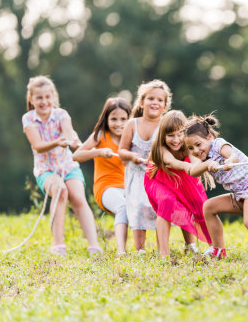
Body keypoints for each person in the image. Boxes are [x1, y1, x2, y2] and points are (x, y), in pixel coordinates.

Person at [184, 114, 248, 260]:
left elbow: (233, 156)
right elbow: (193, 171)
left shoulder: (218, 144)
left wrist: (229, 161)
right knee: (208, 207)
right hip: (240, 194)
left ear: (209, 137)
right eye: (191, 148)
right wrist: (207, 165)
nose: (196, 150)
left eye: (198, 144)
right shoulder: (204, 159)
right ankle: (218, 251)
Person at [22, 76, 102, 256]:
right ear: (31, 99)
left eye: (47, 97)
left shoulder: (61, 114)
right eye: (39, 98)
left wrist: (74, 142)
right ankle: (58, 246)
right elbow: (37, 145)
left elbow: (68, 132)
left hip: (68, 166)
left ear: (53, 97)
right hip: (46, 170)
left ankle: (94, 246)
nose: (44, 102)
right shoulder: (28, 119)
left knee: (78, 198)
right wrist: (58, 141)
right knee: (60, 191)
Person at [144, 110, 212, 257]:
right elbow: (172, 162)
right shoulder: (161, 148)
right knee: (167, 201)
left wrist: (199, 165)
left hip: (182, 179)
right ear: (163, 135)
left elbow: (195, 160)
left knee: (197, 205)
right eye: (170, 135)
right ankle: (164, 253)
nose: (176, 140)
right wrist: (189, 167)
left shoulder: (188, 146)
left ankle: (193, 245)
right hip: (159, 179)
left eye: (179, 134)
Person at [73, 97, 132, 254]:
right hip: (105, 187)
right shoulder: (100, 136)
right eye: (113, 119)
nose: (118, 123)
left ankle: (142, 249)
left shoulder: (131, 139)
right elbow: (76, 155)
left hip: (127, 188)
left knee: (143, 207)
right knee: (123, 207)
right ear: (106, 119)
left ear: (129, 120)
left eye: (123, 119)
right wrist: (98, 152)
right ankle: (121, 250)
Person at [119, 79, 171, 253]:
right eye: (150, 99)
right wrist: (132, 156)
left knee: (160, 209)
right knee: (138, 207)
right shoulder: (132, 124)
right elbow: (122, 151)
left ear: (165, 106)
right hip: (136, 174)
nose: (155, 102)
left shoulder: (165, 125)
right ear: (141, 102)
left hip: (157, 175)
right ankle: (140, 249)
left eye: (159, 100)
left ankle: (161, 247)